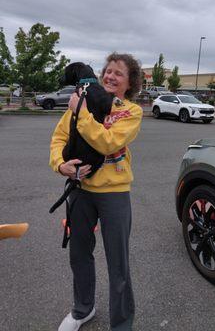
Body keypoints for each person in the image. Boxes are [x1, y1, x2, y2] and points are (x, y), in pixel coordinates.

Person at [49, 53, 143, 331]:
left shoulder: (130, 111)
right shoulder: (81, 101)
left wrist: (82, 112)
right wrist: (61, 165)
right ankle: (82, 310)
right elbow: (59, 139)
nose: (111, 76)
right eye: (108, 71)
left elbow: (108, 142)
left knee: (118, 263)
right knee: (79, 254)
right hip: (80, 190)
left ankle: (122, 324)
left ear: (130, 83)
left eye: (119, 73)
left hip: (114, 192)